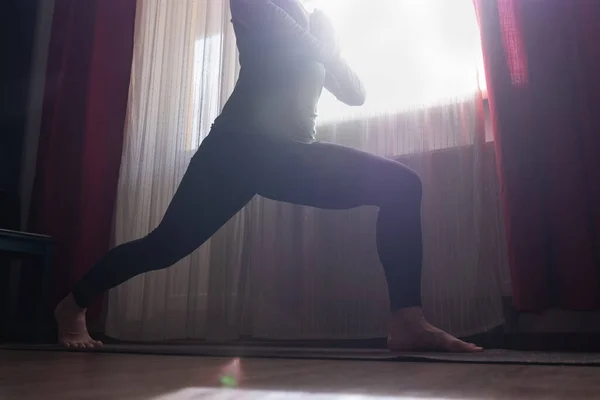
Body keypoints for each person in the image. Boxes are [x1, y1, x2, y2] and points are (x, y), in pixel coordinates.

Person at [54, 0, 483, 353]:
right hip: (236, 150)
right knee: (163, 247)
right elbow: (291, 40)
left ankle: (407, 322)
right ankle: (72, 305)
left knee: (401, 186)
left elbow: (356, 94)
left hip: (290, 153)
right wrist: (326, 44)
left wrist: (327, 43)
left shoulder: (312, 21)